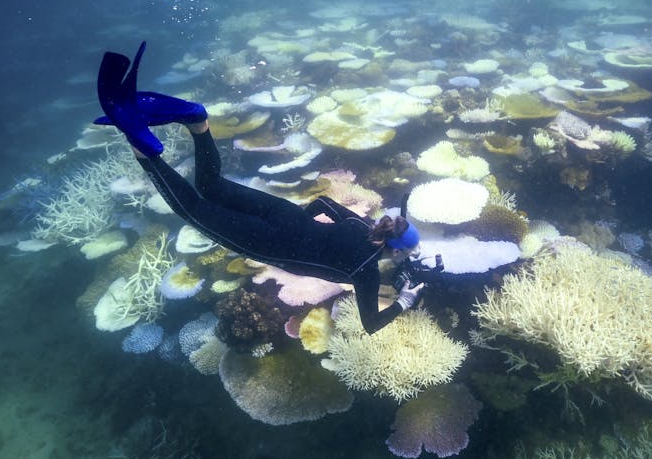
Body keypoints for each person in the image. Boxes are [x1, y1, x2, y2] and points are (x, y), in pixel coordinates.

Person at [96, 41, 424, 334]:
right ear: (393, 250)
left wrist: (300, 225)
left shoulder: (363, 224)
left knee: (211, 186)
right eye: (405, 254)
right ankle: (144, 149)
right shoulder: (365, 273)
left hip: (282, 215)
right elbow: (371, 324)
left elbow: (323, 203)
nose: (404, 260)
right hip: (268, 241)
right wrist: (404, 302)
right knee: (192, 210)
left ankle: (198, 121)